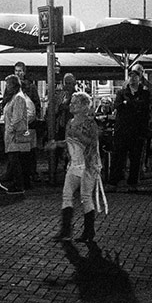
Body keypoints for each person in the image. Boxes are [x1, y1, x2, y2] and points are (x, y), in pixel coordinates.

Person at [52, 91, 104, 243]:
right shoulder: (70, 122)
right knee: (67, 194)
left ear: (84, 106)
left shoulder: (90, 123)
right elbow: (69, 141)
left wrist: (78, 135)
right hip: (74, 163)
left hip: (88, 164)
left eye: (75, 103)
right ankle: (66, 230)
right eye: (72, 102)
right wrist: (57, 144)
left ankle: (89, 231)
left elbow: (93, 143)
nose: (71, 105)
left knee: (86, 196)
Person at [110, 64, 152, 188]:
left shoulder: (145, 93)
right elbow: (118, 106)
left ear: (139, 78)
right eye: (131, 76)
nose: (132, 79)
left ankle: (133, 182)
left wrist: (128, 104)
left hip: (137, 131)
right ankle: (114, 181)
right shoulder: (122, 92)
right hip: (123, 130)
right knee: (119, 157)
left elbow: (145, 108)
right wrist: (130, 104)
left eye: (135, 76)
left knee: (136, 158)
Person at [1, 73, 35, 191]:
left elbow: (17, 117)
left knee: (16, 161)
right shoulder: (14, 97)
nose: (7, 88)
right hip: (14, 134)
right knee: (17, 160)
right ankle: (19, 183)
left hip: (16, 135)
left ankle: (19, 185)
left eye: (8, 85)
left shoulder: (19, 98)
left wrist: (10, 129)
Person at [46, 73, 77, 185]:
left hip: (73, 127)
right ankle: (55, 175)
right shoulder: (59, 95)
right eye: (66, 83)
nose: (67, 86)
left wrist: (68, 107)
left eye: (70, 83)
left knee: (71, 151)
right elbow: (52, 110)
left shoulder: (77, 96)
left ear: (74, 83)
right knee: (58, 151)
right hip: (61, 126)